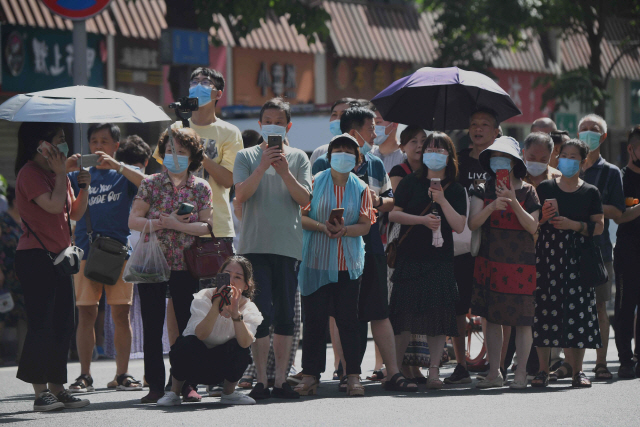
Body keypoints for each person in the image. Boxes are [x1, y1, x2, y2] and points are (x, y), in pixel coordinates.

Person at [312, 107, 416, 392]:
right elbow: (312, 203)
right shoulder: (323, 162)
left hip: (371, 245)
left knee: (379, 311)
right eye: (371, 128)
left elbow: (390, 200)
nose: (375, 133)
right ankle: (349, 372)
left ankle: (392, 372)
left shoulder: (374, 162)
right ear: (355, 131)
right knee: (347, 314)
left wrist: (377, 202)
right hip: (335, 249)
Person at [233, 98, 311, 400]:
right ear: (260, 124)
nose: (273, 125)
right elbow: (241, 194)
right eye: (268, 120)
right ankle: (261, 381)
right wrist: (263, 165)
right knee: (260, 314)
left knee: (285, 317)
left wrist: (284, 171)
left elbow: (304, 199)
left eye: (279, 120)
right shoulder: (246, 155)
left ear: (288, 126)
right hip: (254, 246)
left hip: (287, 246)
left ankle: (281, 381)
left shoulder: (298, 158)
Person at [129, 127, 214, 404]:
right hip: (152, 265)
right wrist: (159, 223)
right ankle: (155, 385)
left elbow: (206, 226)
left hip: (186, 265)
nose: (174, 156)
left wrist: (177, 225)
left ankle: (187, 383)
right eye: (169, 151)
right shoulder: (151, 183)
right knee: (152, 327)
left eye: (181, 151)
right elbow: (134, 220)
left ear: (193, 157)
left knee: (189, 327)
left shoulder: (201, 187)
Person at [14, 122, 91, 411]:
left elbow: (74, 212)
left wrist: (84, 187)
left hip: (60, 258)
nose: (64, 146)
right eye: (59, 140)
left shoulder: (58, 175)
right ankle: (39, 392)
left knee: (64, 323)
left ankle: (58, 388)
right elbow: (52, 204)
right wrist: (62, 175)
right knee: (41, 324)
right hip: (36, 258)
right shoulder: (29, 174)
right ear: (41, 145)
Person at [66, 124, 146, 394]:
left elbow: (148, 184)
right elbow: (67, 207)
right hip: (86, 251)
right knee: (86, 313)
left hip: (118, 253)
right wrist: (67, 167)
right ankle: (84, 375)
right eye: (93, 141)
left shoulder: (122, 174)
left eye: (104, 141)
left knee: (121, 314)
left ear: (116, 145)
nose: (98, 146)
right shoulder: (78, 174)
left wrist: (119, 166)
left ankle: (122, 373)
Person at [295, 134, 376, 397]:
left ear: (357, 158)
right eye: (338, 150)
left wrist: (345, 230)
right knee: (314, 321)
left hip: (347, 263)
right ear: (329, 157)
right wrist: (322, 227)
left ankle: (352, 375)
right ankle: (310, 375)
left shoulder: (362, 187)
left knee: (349, 322)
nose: (343, 155)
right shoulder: (315, 182)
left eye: (348, 151)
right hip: (316, 261)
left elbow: (365, 226)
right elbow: (301, 216)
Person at [389, 132, 467, 388]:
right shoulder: (411, 182)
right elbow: (394, 216)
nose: (432, 153)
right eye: (429, 149)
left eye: (439, 149)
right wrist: (421, 220)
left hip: (440, 260)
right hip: (410, 257)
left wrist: (442, 200)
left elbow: (458, 224)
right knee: (404, 318)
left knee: (438, 317)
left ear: (449, 156)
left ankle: (434, 371)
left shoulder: (455, 188)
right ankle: (397, 371)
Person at [468, 136, 540, 389]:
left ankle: (520, 373)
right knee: (492, 318)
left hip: (521, 263)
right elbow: (472, 224)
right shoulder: (481, 187)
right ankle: (494, 372)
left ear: (514, 162)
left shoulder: (529, 191)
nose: (499, 161)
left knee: (523, 320)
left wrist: (512, 202)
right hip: (491, 262)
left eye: (505, 157)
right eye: (495, 157)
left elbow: (534, 226)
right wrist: (491, 208)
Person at [533, 139, 604, 388]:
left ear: (583, 162)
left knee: (579, 315)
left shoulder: (590, 192)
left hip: (578, 259)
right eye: (564, 155)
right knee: (544, 311)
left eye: (574, 157)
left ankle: (577, 371)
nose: (568, 160)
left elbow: (599, 227)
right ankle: (542, 370)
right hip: (547, 258)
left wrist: (574, 225)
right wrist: (543, 218)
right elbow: (533, 224)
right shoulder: (545, 188)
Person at [156, 256, 263, 406]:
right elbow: (201, 334)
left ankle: (229, 393)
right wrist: (216, 304)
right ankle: (174, 392)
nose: (231, 281)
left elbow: (245, 343)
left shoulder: (249, 307)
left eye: (238, 277)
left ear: (246, 285)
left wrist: (235, 314)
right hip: (194, 363)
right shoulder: (204, 296)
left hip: (221, 367)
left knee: (241, 347)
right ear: (219, 276)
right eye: (227, 275)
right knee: (185, 343)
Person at [446, 108, 500, 384]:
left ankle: (495, 364)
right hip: (461, 244)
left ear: (496, 131)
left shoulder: (502, 162)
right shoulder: (458, 162)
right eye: (474, 124)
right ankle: (461, 364)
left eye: (485, 124)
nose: (478, 129)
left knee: (492, 307)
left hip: (495, 245)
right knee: (458, 306)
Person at [577, 114, 625, 381]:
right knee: (572, 308)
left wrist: (587, 206)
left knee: (599, 309)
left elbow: (618, 210)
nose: (588, 134)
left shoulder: (611, 172)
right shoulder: (569, 167)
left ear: (603, 137)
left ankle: (601, 363)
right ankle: (573, 365)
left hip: (600, 250)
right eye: (583, 130)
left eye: (593, 130)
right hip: (569, 249)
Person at [387, 127, 429, 380]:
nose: (419, 146)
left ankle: (416, 365)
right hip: (403, 239)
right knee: (401, 303)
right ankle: (400, 365)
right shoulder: (398, 172)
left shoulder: (434, 171)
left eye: (424, 141)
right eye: (413, 141)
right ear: (403, 147)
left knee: (421, 306)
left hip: (427, 239)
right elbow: (403, 202)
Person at [613, 125, 640, 379]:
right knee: (624, 306)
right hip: (628, 252)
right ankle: (624, 360)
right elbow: (619, 217)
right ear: (630, 148)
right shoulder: (619, 177)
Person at [0, 186, 26, 363]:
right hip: (5, 273)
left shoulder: (27, 220)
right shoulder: (2, 220)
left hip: (25, 273)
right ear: (15, 200)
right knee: (3, 312)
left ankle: (23, 355)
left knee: (24, 313)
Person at [309, 98, 356, 166]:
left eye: (344, 115)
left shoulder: (369, 153)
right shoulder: (320, 153)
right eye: (334, 115)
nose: (337, 119)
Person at [370, 107, 402, 173]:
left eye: (378, 122)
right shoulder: (368, 154)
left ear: (394, 125)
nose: (374, 127)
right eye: (372, 123)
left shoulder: (404, 157)